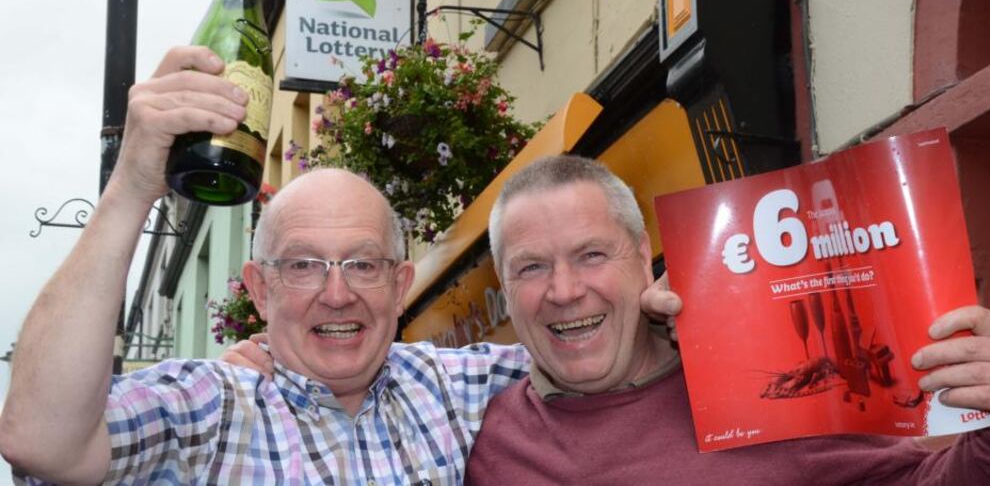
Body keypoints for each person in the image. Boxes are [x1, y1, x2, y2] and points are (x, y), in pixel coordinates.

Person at [0, 46, 678, 484]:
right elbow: (38, 440)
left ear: (401, 284)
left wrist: (674, 310)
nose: (336, 294)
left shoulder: (460, 385)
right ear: (259, 290)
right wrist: (130, 189)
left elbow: (594, 343)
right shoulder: (210, 405)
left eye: (362, 264)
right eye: (302, 267)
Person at [464, 155, 990, 485]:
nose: (565, 291)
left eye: (591, 255)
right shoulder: (480, 440)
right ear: (506, 291)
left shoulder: (755, 390)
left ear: (641, 256)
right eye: (532, 267)